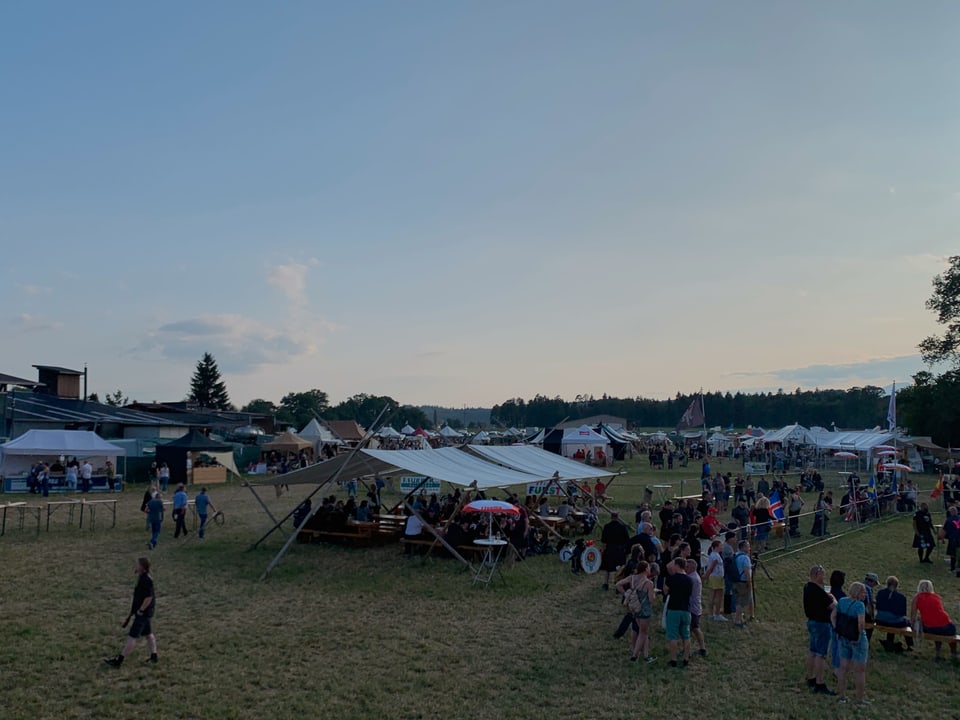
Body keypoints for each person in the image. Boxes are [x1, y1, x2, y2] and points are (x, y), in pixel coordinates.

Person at [105, 556, 158, 666]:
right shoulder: (142, 577)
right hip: (146, 613)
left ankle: (119, 660)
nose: (136, 565)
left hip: (143, 613)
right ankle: (154, 656)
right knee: (148, 634)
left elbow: (149, 598)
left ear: (142, 567)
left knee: (132, 637)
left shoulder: (146, 580)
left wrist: (141, 610)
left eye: (137, 564)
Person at [803, 565, 837, 696]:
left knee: (812, 652)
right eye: (823, 574)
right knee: (820, 654)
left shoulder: (807, 587)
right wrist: (833, 597)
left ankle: (810, 677)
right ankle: (820, 682)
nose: (824, 577)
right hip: (822, 624)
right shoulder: (818, 591)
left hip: (811, 622)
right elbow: (833, 605)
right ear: (817, 574)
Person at [833, 581, 869, 704]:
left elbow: (833, 616)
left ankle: (842, 696)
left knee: (843, 668)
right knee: (859, 670)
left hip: (843, 637)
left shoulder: (842, 601)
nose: (865, 594)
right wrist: (859, 636)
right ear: (858, 593)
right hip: (856, 639)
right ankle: (859, 699)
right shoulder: (859, 605)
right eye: (863, 592)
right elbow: (861, 623)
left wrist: (836, 629)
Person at [911, 579, 959, 663]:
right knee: (951, 632)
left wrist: (913, 625)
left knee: (936, 630)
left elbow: (913, 615)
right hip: (945, 624)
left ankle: (938, 652)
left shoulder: (917, 598)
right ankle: (953, 653)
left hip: (930, 626)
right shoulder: (936, 597)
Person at [663, 557, 693, 668]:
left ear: (676, 565)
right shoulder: (690, 580)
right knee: (686, 635)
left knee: (673, 636)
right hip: (686, 609)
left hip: (674, 609)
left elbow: (665, 591)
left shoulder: (671, 579)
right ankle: (686, 659)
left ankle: (673, 660)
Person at [875, 576, 914, 652]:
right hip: (894, 622)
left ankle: (889, 641)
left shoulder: (880, 593)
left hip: (880, 620)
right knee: (906, 622)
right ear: (897, 585)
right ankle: (910, 645)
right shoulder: (901, 597)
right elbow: (902, 613)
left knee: (891, 620)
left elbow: (877, 606)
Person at [600, 512, 630, 591]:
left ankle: (605, 584)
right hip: (619, 550)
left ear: (611, 517)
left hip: (609, 549)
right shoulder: (622, 527)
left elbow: (603, 541)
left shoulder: (606, 527)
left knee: (607, 568)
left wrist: (603, 551)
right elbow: (627, 540)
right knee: (619, 568)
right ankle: (618, 584)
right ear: (617, 517)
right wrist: (626, 552)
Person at [685, 558, 707, 656]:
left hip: (692, 607)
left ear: (692, 568)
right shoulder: (693, 576)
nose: (685, 568)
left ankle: (699, 649)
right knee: (693, 628)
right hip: (694, 607)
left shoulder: (692, 578)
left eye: (686, 567)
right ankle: (695, 648)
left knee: (694, 628)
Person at [731, 540, 753, 627]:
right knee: (742, 602)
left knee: (737, 601)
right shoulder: (745, 558)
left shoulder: (735, 555)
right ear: (743, 547)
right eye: (748, 546)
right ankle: (737, 621)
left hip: (735, 580)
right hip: (743, 582)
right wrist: (749, 582)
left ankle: (740, 618)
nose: (749, 548)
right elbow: (746, 571)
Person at [703, 539, 726, 621]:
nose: (722, 547)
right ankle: (717, 614)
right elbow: (712, 567)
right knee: (718, 596)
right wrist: (706, 576)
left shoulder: (713, 555)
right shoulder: (716, 556)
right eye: (721, 546)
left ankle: (711, 613)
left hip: (714, 577)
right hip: (717, 577)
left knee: (712, 595)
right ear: (716, 547)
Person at [939, 506, 960, 573]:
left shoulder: (948, 520)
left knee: (953, 554)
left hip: (953, 539)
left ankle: (953, 568)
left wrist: (941, 538)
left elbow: (943, 532)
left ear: (950, 512)